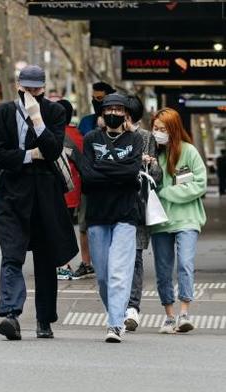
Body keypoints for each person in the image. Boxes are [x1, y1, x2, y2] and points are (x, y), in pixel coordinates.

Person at [0, 65, 78, 340]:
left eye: (37, 89)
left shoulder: (55, 112)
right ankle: (11, 314)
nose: (32, 93)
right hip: (12, 195)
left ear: (44, 88)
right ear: (18, 85)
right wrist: (29, 155)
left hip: (45, 196)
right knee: (11, 255)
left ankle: (44, 320)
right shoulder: (1, 113)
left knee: (45, 259)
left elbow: (51, 151)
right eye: (27, 88)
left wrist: (38, 121)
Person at [81, 93, 143, 343]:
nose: (114, 113)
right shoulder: (91, 139)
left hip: (126, 214)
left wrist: (102, 169)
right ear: (102, 113)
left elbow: (131, 173)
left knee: (119, 271)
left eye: (119, 109)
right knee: (104, 276)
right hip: (97, 215)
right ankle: (114, 312)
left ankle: (115, 324)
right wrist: (117, 171)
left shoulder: (135, 139)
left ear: (126, 114)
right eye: (109, 109)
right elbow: (87, 176)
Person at [150, 108, 207, 334]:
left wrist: (168, 193)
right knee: (163, 270)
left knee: (185, 264)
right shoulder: (152, 153)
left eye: (163, 129)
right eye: (155, 129)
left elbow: (199, 183)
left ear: (173, 129)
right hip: (159, 220)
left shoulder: (189, 151)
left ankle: (184, 312)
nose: (158, 133)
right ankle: (169, 315)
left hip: (187, 218)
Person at [123, 95, 162, 332]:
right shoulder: (106, 135)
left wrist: (147, 163)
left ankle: (132, 307)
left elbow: (155, 175)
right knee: (114, 261)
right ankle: (117, 306)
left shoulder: (146, 138)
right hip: (113, 207)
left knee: (135, 258)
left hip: (137, 205)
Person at [74, 82, 116, 280]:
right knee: (84, 223)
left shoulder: (118, 121)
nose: (95, 101)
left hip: (112, 183)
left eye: (100, 99)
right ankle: (86, 262)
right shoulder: (85, 122)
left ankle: (110, 260)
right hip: (89, 182)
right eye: (94, 98)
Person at [55, 99, 83, 280]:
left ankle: (61, 265)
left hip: (57, 189)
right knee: (66, 227)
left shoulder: (54, 134)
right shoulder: (79, 135)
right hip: (74, 191)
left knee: (57, 228)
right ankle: (62, 264)